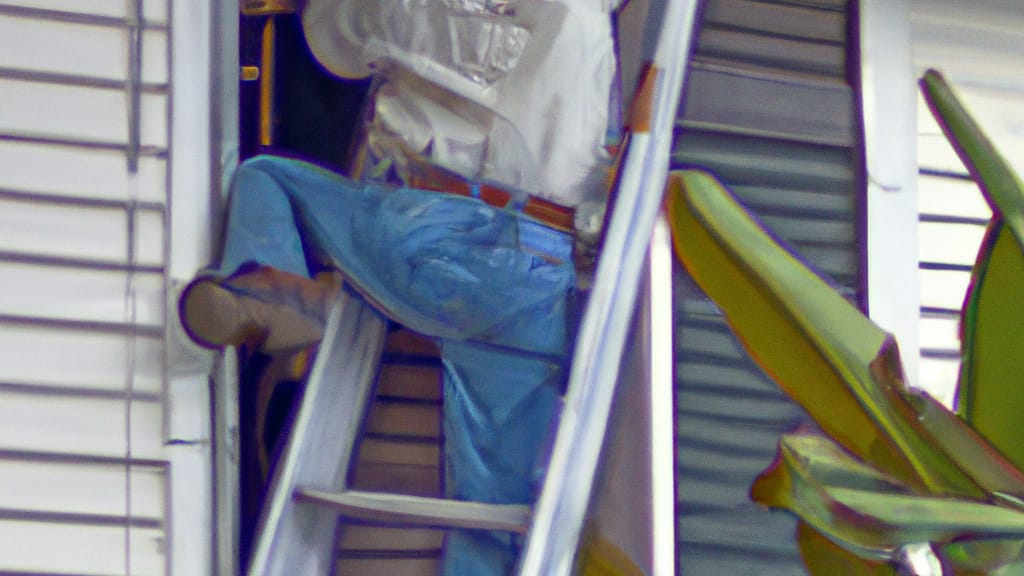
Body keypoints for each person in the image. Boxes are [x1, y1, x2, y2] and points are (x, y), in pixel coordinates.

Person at [180, 154, 578, 575]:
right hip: (532, 297)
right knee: (491, 506)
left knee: (268, 177)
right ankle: (268, 288)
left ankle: (272, 293)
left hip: (485, 261)